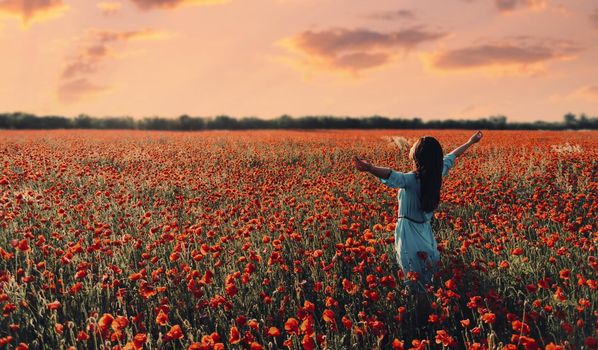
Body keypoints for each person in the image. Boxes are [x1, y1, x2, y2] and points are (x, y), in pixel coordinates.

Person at [353, 131, 483, 321]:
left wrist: (369, 168)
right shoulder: (437, 173)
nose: (411, 146)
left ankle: (422, 319)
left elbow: (390, 175)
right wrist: (471, 142)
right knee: (425, 277)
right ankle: (428, 314)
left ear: (417, 156)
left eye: (414, 146)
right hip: (425, 232)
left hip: (408, 233)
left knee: (414, 279)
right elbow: (453, 155)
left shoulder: (411, 180)